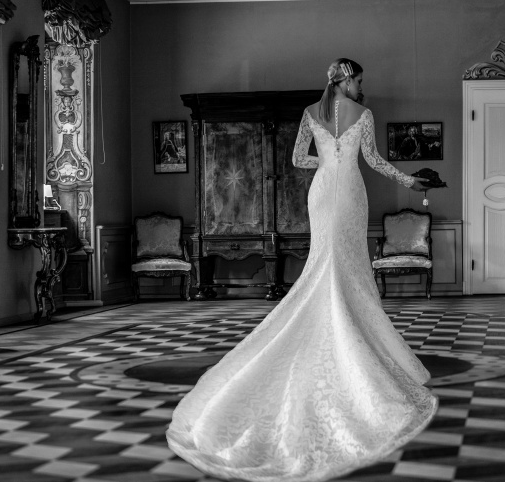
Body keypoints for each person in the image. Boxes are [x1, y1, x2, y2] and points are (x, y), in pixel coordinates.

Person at [167, 58, 437, 481]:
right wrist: (407, 181)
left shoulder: (311, 113)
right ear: (346, 80)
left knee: (326, 260)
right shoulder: (363, 114)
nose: (361, 86)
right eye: (358, 80)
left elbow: (297, 159)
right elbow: (373, 160)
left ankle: (339, 323)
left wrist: (326, 163)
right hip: (350, 192)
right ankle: (350, 333)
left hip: (322, 191)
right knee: (347, 264)